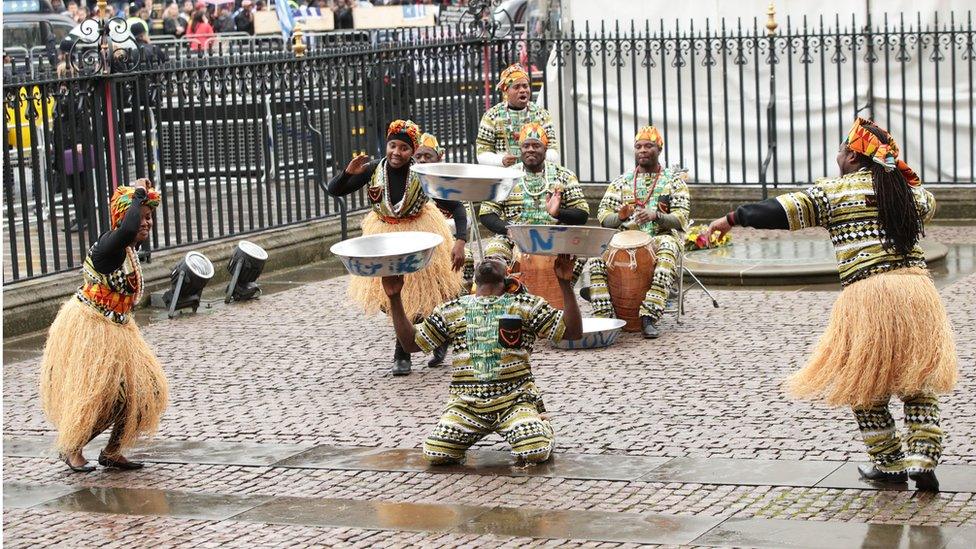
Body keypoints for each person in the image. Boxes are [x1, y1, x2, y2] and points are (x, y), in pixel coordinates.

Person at [706, 117, 958, 492]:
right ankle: (922, 458)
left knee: (865, 383)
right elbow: (925, 197)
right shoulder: (912, 196)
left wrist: (731, 218)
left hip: (867, 296)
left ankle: (888, 464)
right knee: (917, 378)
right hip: (916, 294)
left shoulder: (833, 193)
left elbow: (780, 210)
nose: (837, 156)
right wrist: (893, 169)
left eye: (842, 150)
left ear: (855, 157)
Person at [383, 253, 583, 465]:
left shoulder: (526, 305)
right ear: (475, 275)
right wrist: (394, 298)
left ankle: (541, 425)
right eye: (484, 257)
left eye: (497, 258)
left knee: (535, 449)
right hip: (465, 405)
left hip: (514, 402)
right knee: (436, 453)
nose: (488, 258)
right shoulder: (451, 309)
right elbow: (412, 344)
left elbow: (572, 332)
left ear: (507, 273)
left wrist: (565, 283)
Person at [39, 179, 169, 473]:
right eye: (142, 218)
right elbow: (127, 228)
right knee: (106, 396)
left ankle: (112, 451)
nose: (146, 224)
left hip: (119, 328)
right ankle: (72, 446)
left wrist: (140, 199)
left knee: (149, 390)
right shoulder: (111, 244)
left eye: (150, 218)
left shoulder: (129, 249)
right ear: (125, 217)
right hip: (92, 328)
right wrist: (137, 193)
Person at [327, 120, 467, 376]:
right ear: (387, 145)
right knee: (388, 297)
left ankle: (403, 352)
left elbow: (457, 207)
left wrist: (460, 240)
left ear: (412, 151)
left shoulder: (423, 174)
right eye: (393, 145)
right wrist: (347, 173)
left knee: (418, 295)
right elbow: (335, 190)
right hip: (384, 234)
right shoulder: (372, 170)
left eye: (404, 148)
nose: (396, 153)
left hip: (420, 233)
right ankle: (430, 337)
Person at [580, 125, 690, 339]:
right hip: (623, 240)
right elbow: (604, 217)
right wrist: (620, 216)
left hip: (660, 238)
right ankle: (604, 317)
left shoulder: (674, 181)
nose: (642, 150)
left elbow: (681, 218)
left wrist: (656, 216)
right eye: (638, 146)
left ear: (659, 149)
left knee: (667, 251)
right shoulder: (622, 182)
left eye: (648, 146)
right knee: (596, 257)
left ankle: (649, 315)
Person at [478, 122, 588, 267]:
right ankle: (510, 288)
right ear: (520, 149)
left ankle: (561, 289)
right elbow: (486, 213)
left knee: (579, 255)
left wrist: (557, 213)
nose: (530, 150)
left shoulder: (564, 175)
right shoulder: (507, 176)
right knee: (493, 258)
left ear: (545, 149)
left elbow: (582, 214)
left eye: (536, 146)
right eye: (526, 146)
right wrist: (510, 230)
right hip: (513, 237)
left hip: (555, 236)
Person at [476, 63, 559, 167]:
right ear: (506, 91)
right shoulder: (491, 116)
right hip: (506, 178)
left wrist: (539, 156)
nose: (522, 90)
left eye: (525, 86)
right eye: (516, 87)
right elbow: (481, 152)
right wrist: (501, 160)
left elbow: (553, 149)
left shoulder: (542, 114)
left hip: (537, 177)